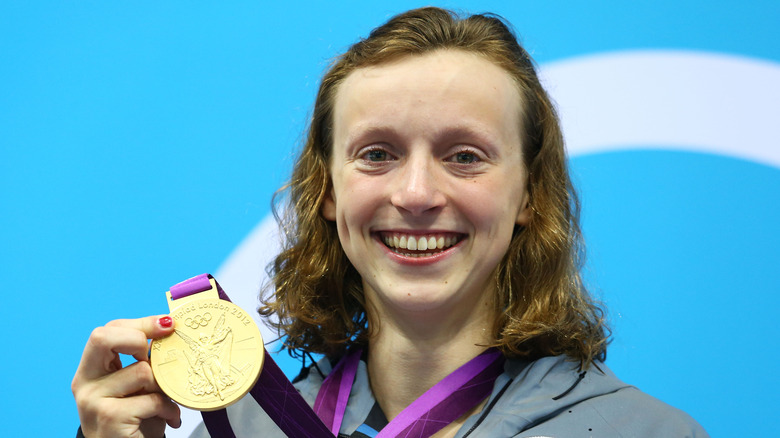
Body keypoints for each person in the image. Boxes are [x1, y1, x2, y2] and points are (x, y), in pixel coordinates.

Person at [72, 7, 708, 438]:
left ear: (530, 195)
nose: (416, 192)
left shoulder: (640, 432)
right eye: (377, 154)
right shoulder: (242, 428)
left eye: (465, 156)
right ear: (326, 190)